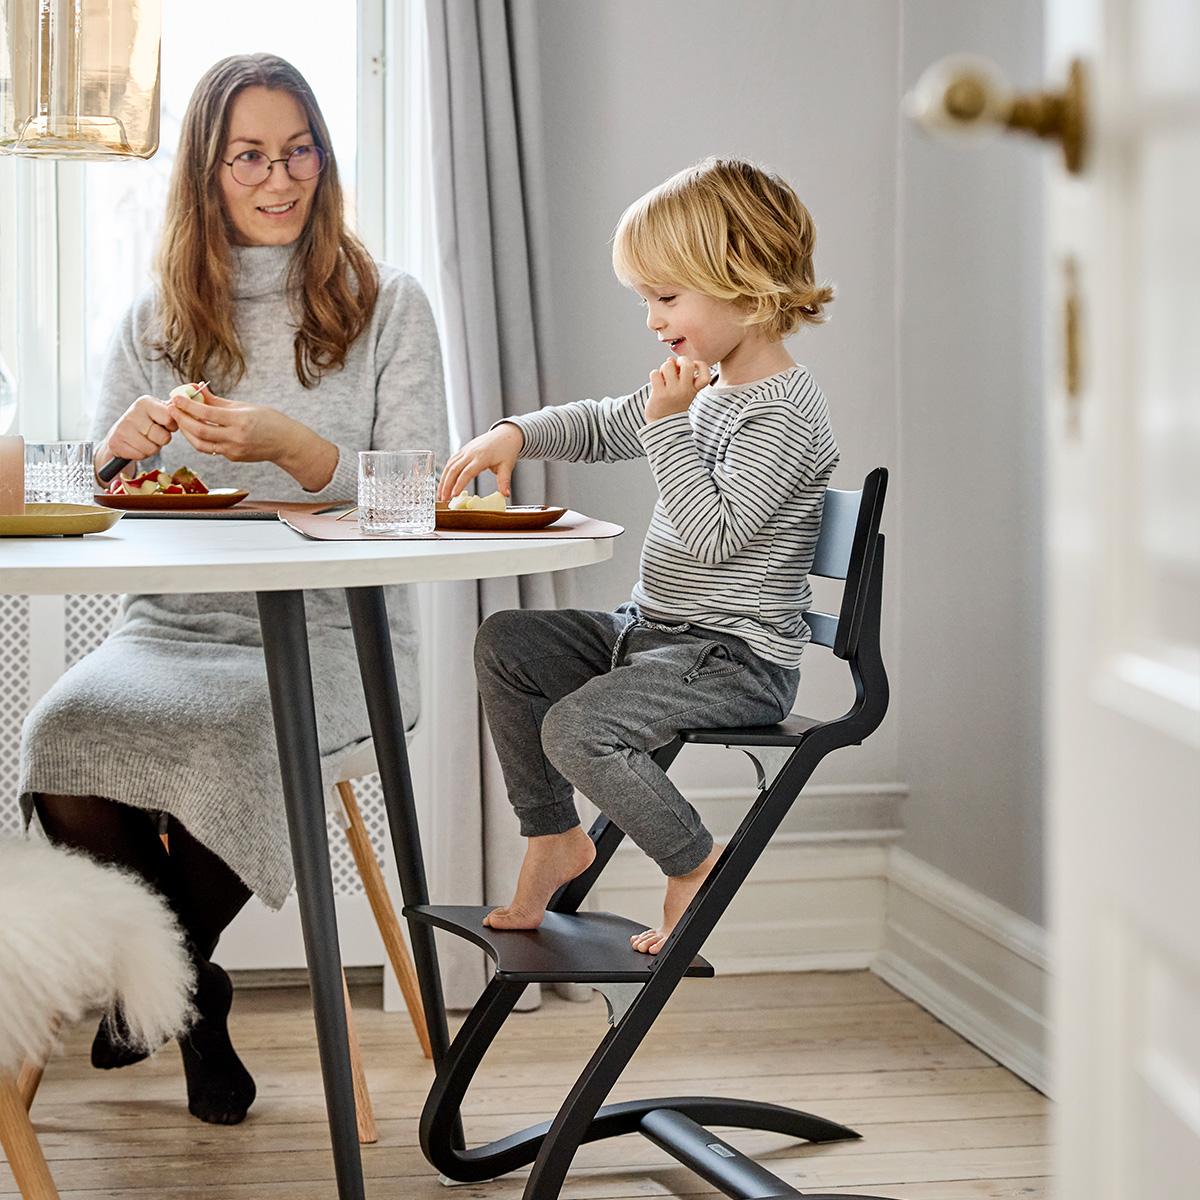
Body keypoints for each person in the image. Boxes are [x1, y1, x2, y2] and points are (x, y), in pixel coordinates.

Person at [18, 54, 447, 1124]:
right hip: (171, 628)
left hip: (337, 639)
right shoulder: (153, 318)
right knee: (60, 737)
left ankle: (158, 988)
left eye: (298, 149)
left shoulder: (387, 305)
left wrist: (303, 451)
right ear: (207, 174)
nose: (279, 177)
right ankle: (197, 999)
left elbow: (419, 502)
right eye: (248, 155)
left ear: (324, 158)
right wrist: (107, 456)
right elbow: (78, 499)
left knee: (248, 740)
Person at [439, 157, 838, 956]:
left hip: (734, 658)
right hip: (655, 632)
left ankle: (694, 860)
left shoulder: (787, 414)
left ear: (744, 281)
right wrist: (517, 432)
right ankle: (554, 836)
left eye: (665, 297)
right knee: (508, 644)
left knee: (577, 729)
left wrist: (668, 425)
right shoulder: (709, 386)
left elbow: (713, 532)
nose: (653, 321)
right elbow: (608, 421)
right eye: (645, 300)